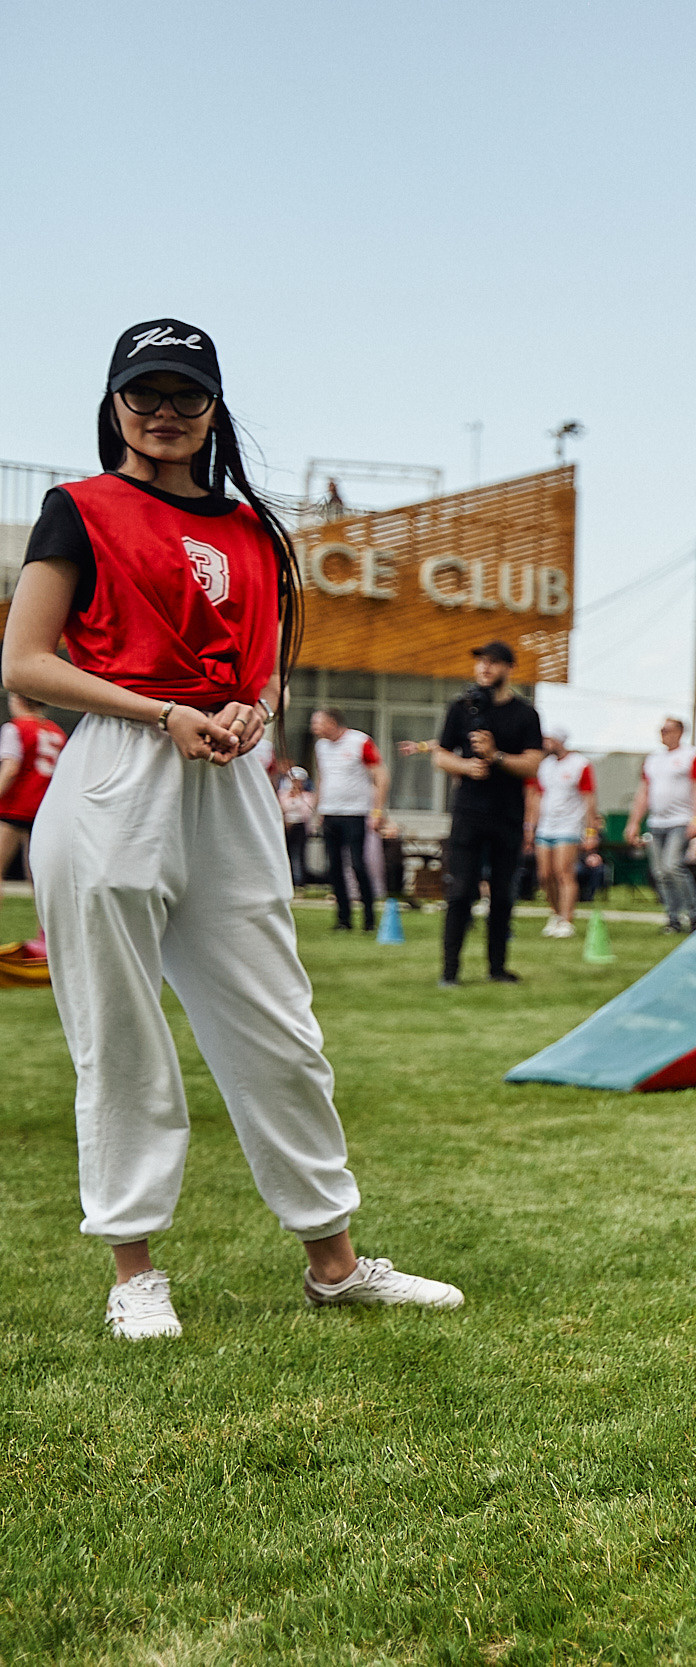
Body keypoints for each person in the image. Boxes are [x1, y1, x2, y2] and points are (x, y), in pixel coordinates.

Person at [4, 315, 461, 1338]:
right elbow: (25, 662)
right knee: (118, 1028)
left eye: (184, 394)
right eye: (143, 393)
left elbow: (262, 666)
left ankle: (334, 1263)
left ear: (215, 406)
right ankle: (133, 1271)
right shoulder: (77, 508)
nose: (163, 413)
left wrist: (258, 706)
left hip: (231, 771)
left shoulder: (257, 529)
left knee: (278, 1026)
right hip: (121, 765)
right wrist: (158, 709)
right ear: (114, 402)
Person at [431, 640, 546, 983]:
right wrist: (465, 767)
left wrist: (497, 757)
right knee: (461, 890)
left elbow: (533, 764)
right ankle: (449, 971)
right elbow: (440, 754)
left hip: (507, 815)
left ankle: (497, 968)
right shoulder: (461, 708)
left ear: (509, 668)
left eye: (493, 662)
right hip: (468, 813)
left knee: (502, 893)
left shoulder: (525, 714)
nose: (484, 668)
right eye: (480, 662)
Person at [308, 706, 387, 932]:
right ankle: (344, 919)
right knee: (333, 868)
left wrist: (377, 812)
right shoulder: (320, 747)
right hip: (330, 812)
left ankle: (369, 919)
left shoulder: (360, 742)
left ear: (332, 723)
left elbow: (381, 776)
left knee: (357, 865)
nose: (314, 727)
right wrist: (317, 810)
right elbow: (322, 778)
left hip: (355, 813)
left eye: (318, 722)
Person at [627, 715, 696, 933]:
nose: (663, 734)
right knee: (660, 872)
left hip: (680, 820)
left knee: (673, 866)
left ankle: (695, 912)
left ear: (680, 732)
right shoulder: (653, 759)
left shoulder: (691, 756)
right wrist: (634, 822)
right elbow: (643, 792)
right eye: (661, 730)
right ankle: (673, 918)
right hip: (656, 822)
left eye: (667, 730)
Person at [527, 725, 595, 938]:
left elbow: (589, 799)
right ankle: (555, 913)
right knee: (544, 875)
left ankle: (567, 919)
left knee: (563, 872)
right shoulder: (543, 766)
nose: (546, 743)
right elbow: (536, 796)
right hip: (546, 825)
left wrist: (590, 830)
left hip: (569, 825)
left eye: (550, 740)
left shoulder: (580, 764)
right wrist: (530, 825)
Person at [0, 691, 66, 887]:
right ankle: (44, 919)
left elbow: (11, 768)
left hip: (15, 806)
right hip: (45, 808)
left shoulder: (16, 728)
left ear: (19, 700)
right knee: (38, 878)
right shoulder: (57, 732)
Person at [276, 764, 315, 889]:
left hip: (299, 825)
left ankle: (299, 880)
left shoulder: (307, 796)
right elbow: (281, 808)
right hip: (286, 826)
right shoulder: (283, 794)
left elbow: (306, 812)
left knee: (299, 853)